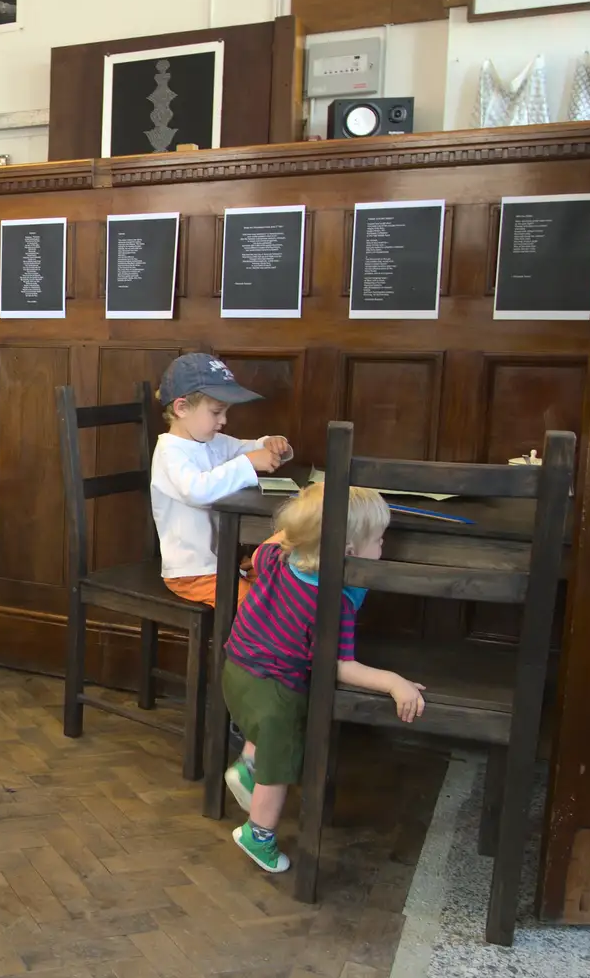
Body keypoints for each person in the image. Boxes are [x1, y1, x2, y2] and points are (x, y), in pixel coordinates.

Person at [221, 482, 426, 874]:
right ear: (348, 553)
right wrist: (393, 682)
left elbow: (272, 541)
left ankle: (248, 762)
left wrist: (311, 512)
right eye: (379, 541)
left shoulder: (275, 558)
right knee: (280, 763)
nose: (383, 548)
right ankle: (257, 834)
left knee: (266, 729)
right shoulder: (332, 604)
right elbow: (339, 666)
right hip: (277, 690)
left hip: (236, 669)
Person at [151, 353, 290, 608]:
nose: (223, 421)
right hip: (192, 572)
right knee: (262, 608)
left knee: (284, 579)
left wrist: (268, 443)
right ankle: (241, 647)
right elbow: (198, 491)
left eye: (225, 412)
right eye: (216, 412)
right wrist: (249, 463)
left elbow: (244, 448)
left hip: (225, 564)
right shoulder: (170, 452)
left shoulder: (211, 441)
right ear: (182, 408)